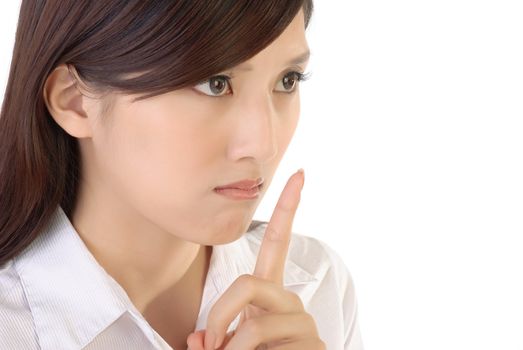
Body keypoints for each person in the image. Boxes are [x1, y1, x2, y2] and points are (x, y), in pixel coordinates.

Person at [0, 1, 363, 349]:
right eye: (215, 83)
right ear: (75, 100)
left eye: (288, 80)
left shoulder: (315, 290)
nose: (263, 145)